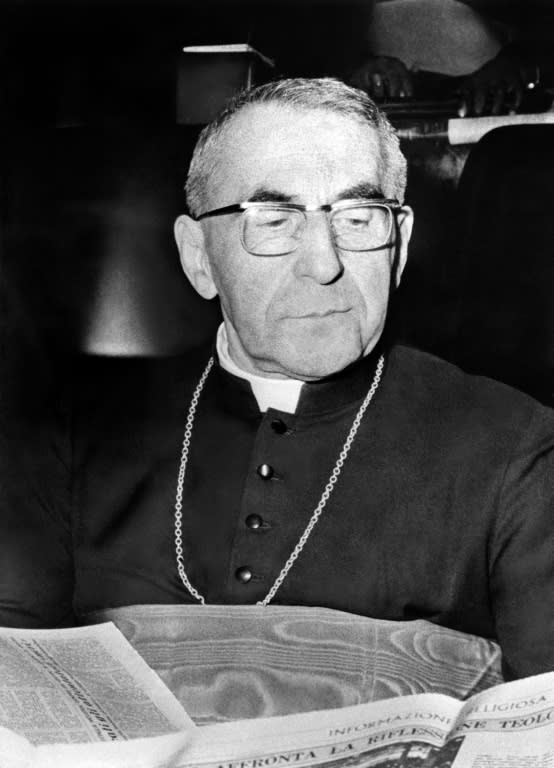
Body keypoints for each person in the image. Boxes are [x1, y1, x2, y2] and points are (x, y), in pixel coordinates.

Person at [2, 78, 553, 683]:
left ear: (398, 249)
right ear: (199, 257)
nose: (325, 264)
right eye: (273, 220)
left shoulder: (516, 447)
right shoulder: (66, 428)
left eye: (358, 216)